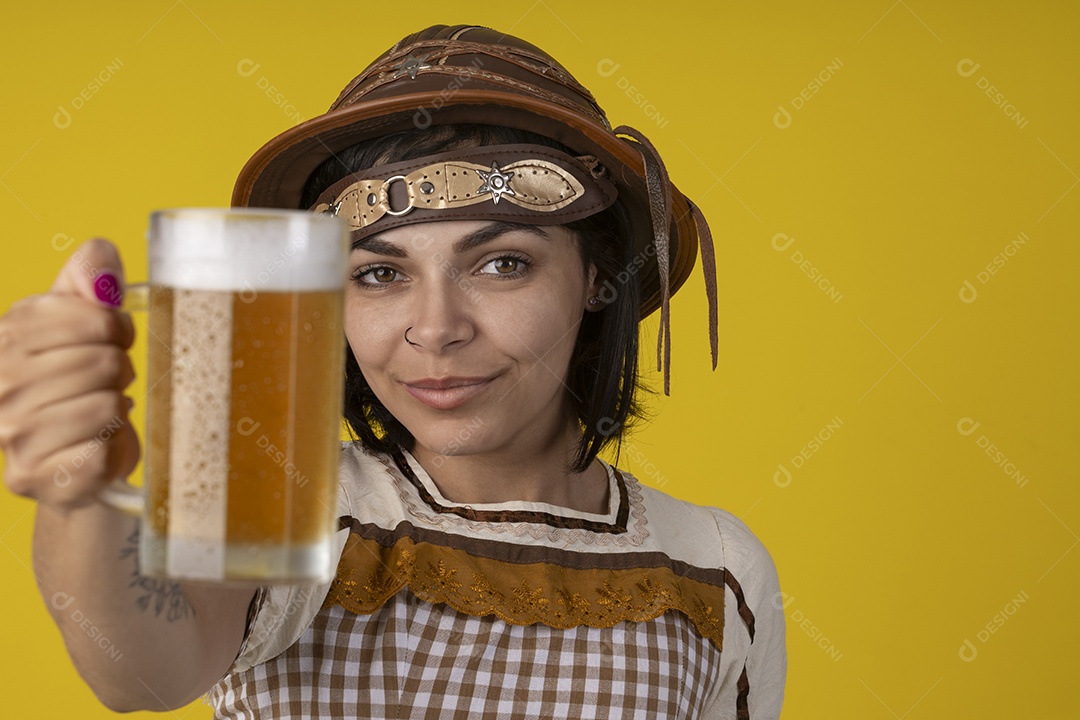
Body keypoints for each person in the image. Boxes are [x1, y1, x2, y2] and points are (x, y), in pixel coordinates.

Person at [0, 24, 785, 719]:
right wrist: (76, 490)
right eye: (379, 275)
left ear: (595, 278)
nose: (436, 329)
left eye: (503, 263)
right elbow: (139, 672)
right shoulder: (280, 493)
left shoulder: (715, 569)